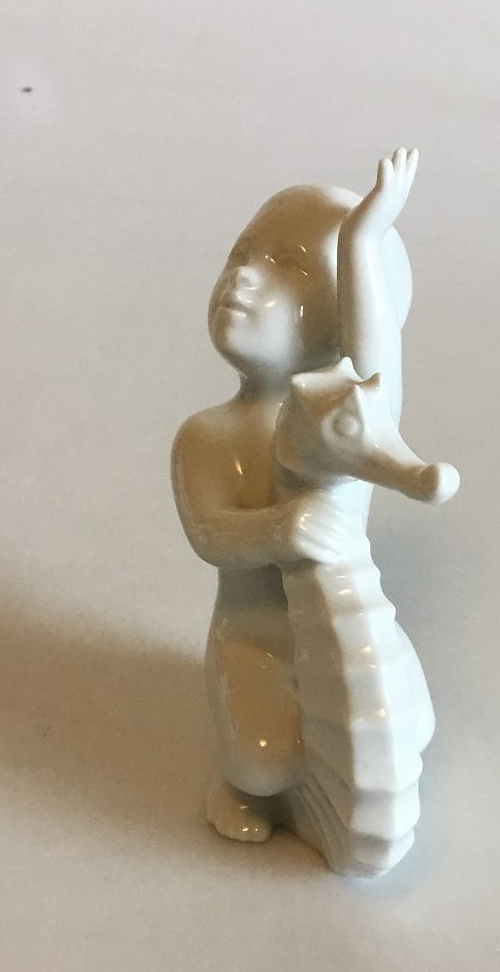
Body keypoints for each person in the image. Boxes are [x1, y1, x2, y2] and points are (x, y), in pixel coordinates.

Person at [171, 149, 418, 842]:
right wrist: (279, 528)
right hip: (255, 642)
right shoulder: (207, 435)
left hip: (334, 631)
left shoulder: (342, 420)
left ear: (339, 323)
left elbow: (376, 365)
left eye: (291, 268)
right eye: (241, 253)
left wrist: (361, 242)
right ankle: (244, 788)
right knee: (261, 765)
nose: (245, 274)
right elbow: (209, 534)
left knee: (408, 721)